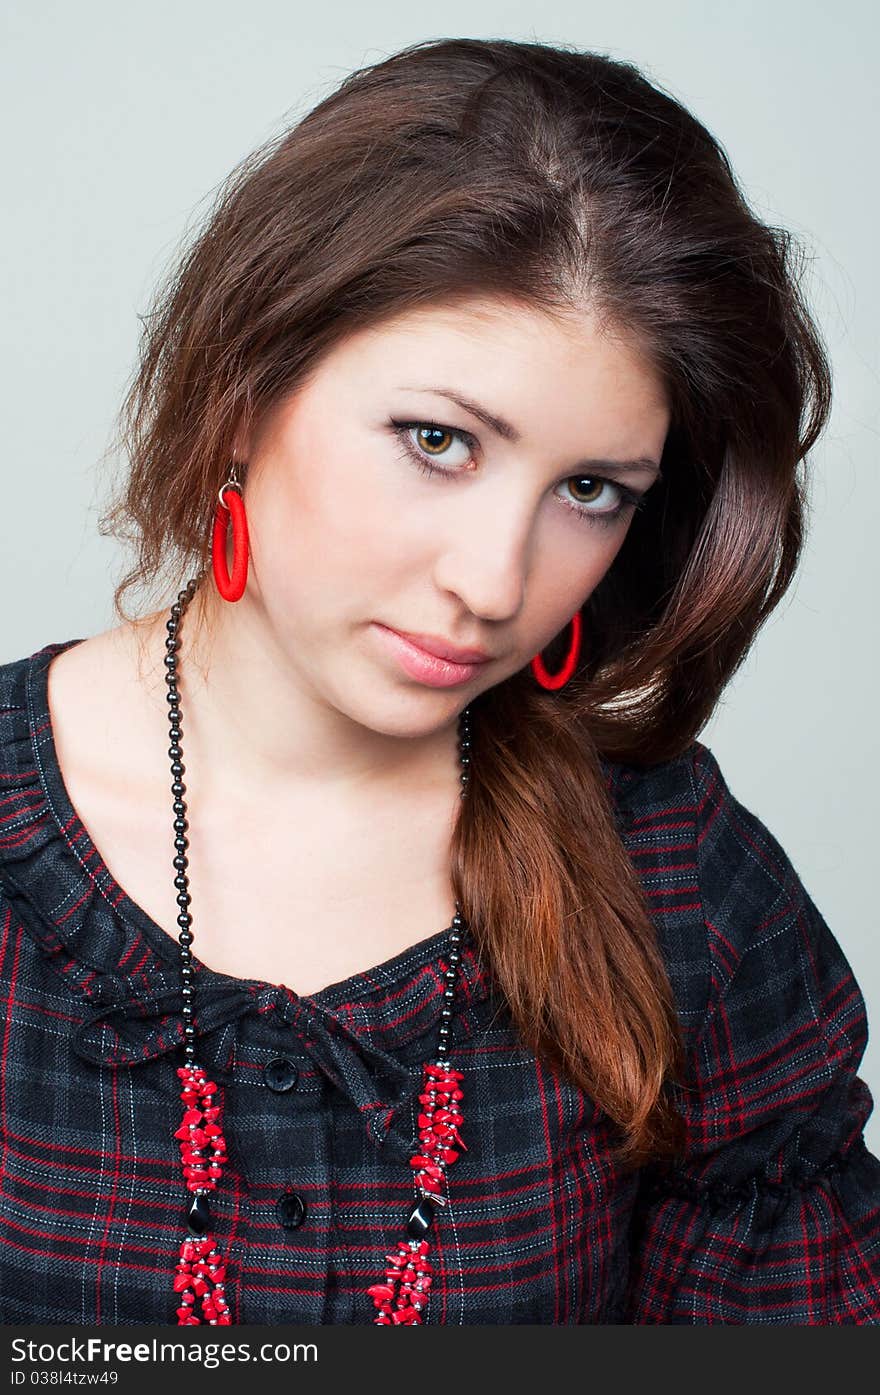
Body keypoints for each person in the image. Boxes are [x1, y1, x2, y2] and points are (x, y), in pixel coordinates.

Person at [1, 34, 878, 1328]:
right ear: (249, 387)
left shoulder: (682, 884)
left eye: (590, 491)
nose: (493, 581)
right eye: (440, 441)